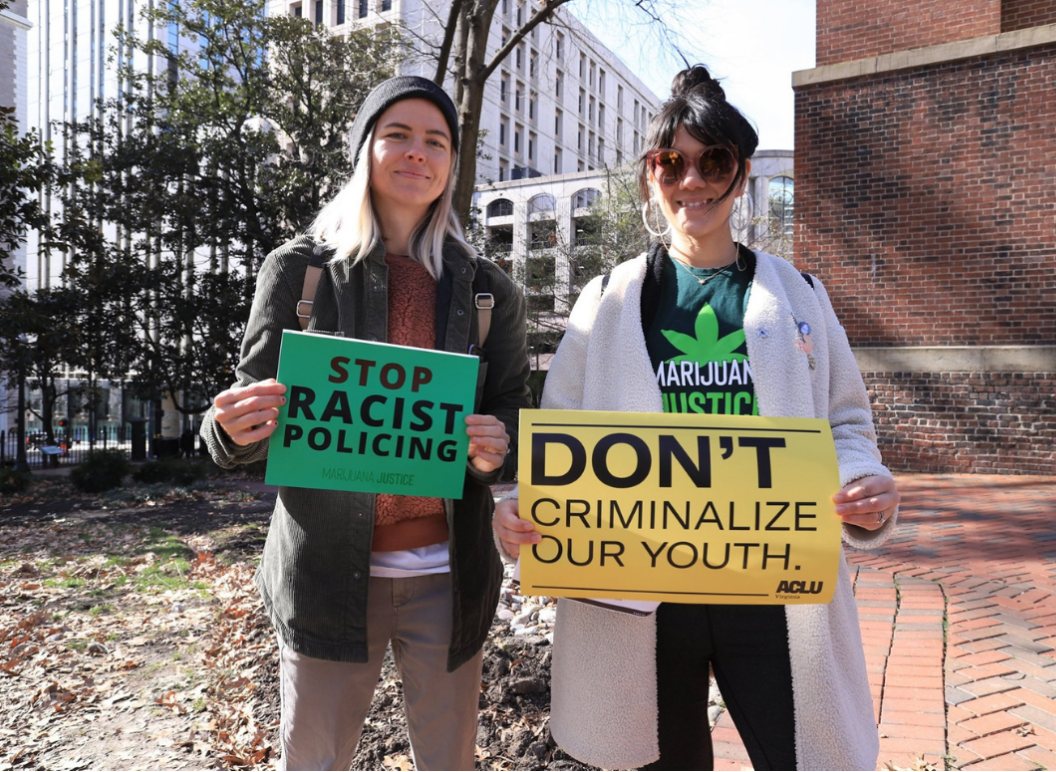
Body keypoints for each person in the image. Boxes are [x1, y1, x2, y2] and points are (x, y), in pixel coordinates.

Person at [493, 65, 900, 771]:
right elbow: (559, 442)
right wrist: (522, 509)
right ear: (652, 175)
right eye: (672, 162)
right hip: (642, 599)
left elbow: (847, 426)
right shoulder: (608, 299)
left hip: (772, 588)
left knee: (802, 756)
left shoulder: (800, 296)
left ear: (739, 175)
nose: (693, 181)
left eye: (713, 161)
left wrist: (865, 484)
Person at [201, 76, 531, 771]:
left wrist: (495, 449)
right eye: (398, 135)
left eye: (436, 141)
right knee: (315, 761)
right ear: (365, 151)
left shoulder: (489, 293)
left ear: (451, 164)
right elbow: (238, 418)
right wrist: (231, 426)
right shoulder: (299, 271)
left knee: (449, 761)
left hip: (449, 574)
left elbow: (511, 417)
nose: (418, 153)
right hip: (325, 574)